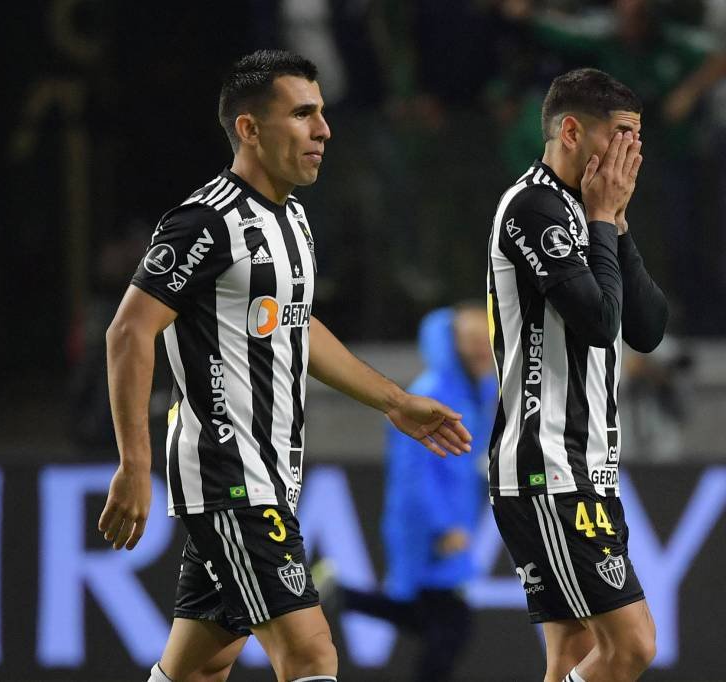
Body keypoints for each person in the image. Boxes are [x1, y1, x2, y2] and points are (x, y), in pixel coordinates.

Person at [98, 49, 472, 682]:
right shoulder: (205, 222)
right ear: (249, 128)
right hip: (230, 477)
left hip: (272, 476)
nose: (323, 129)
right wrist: (135, 465)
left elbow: (297, 326)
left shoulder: (292, 220)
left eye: (321, 113)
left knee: (196, 667)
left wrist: (394, 401)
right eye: (303, 114)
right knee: (310, 652)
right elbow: (130, 331)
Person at [487, 68, 668, 682]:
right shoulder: (533, 207)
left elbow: (645, 328)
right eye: (620, 135)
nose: (630, 154)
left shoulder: (589, 212)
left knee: (571, 657)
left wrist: (614, 223)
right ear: (571, 130)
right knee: (632, 646)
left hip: (587, 466)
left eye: (637, 139)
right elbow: (597, 321)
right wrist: (601, 220)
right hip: (549, 467)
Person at [316, 303, 497, 682]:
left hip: (445, 521)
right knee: (450, 627)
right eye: (473, 340)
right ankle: (340, 595)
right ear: (453, 344)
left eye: (487, 339)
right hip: (427, 526)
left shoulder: (473, 391)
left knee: (427, 618)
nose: (483, 349)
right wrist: (443, 525)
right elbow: (414, 474)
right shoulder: (433, 392)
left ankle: (341, 595)